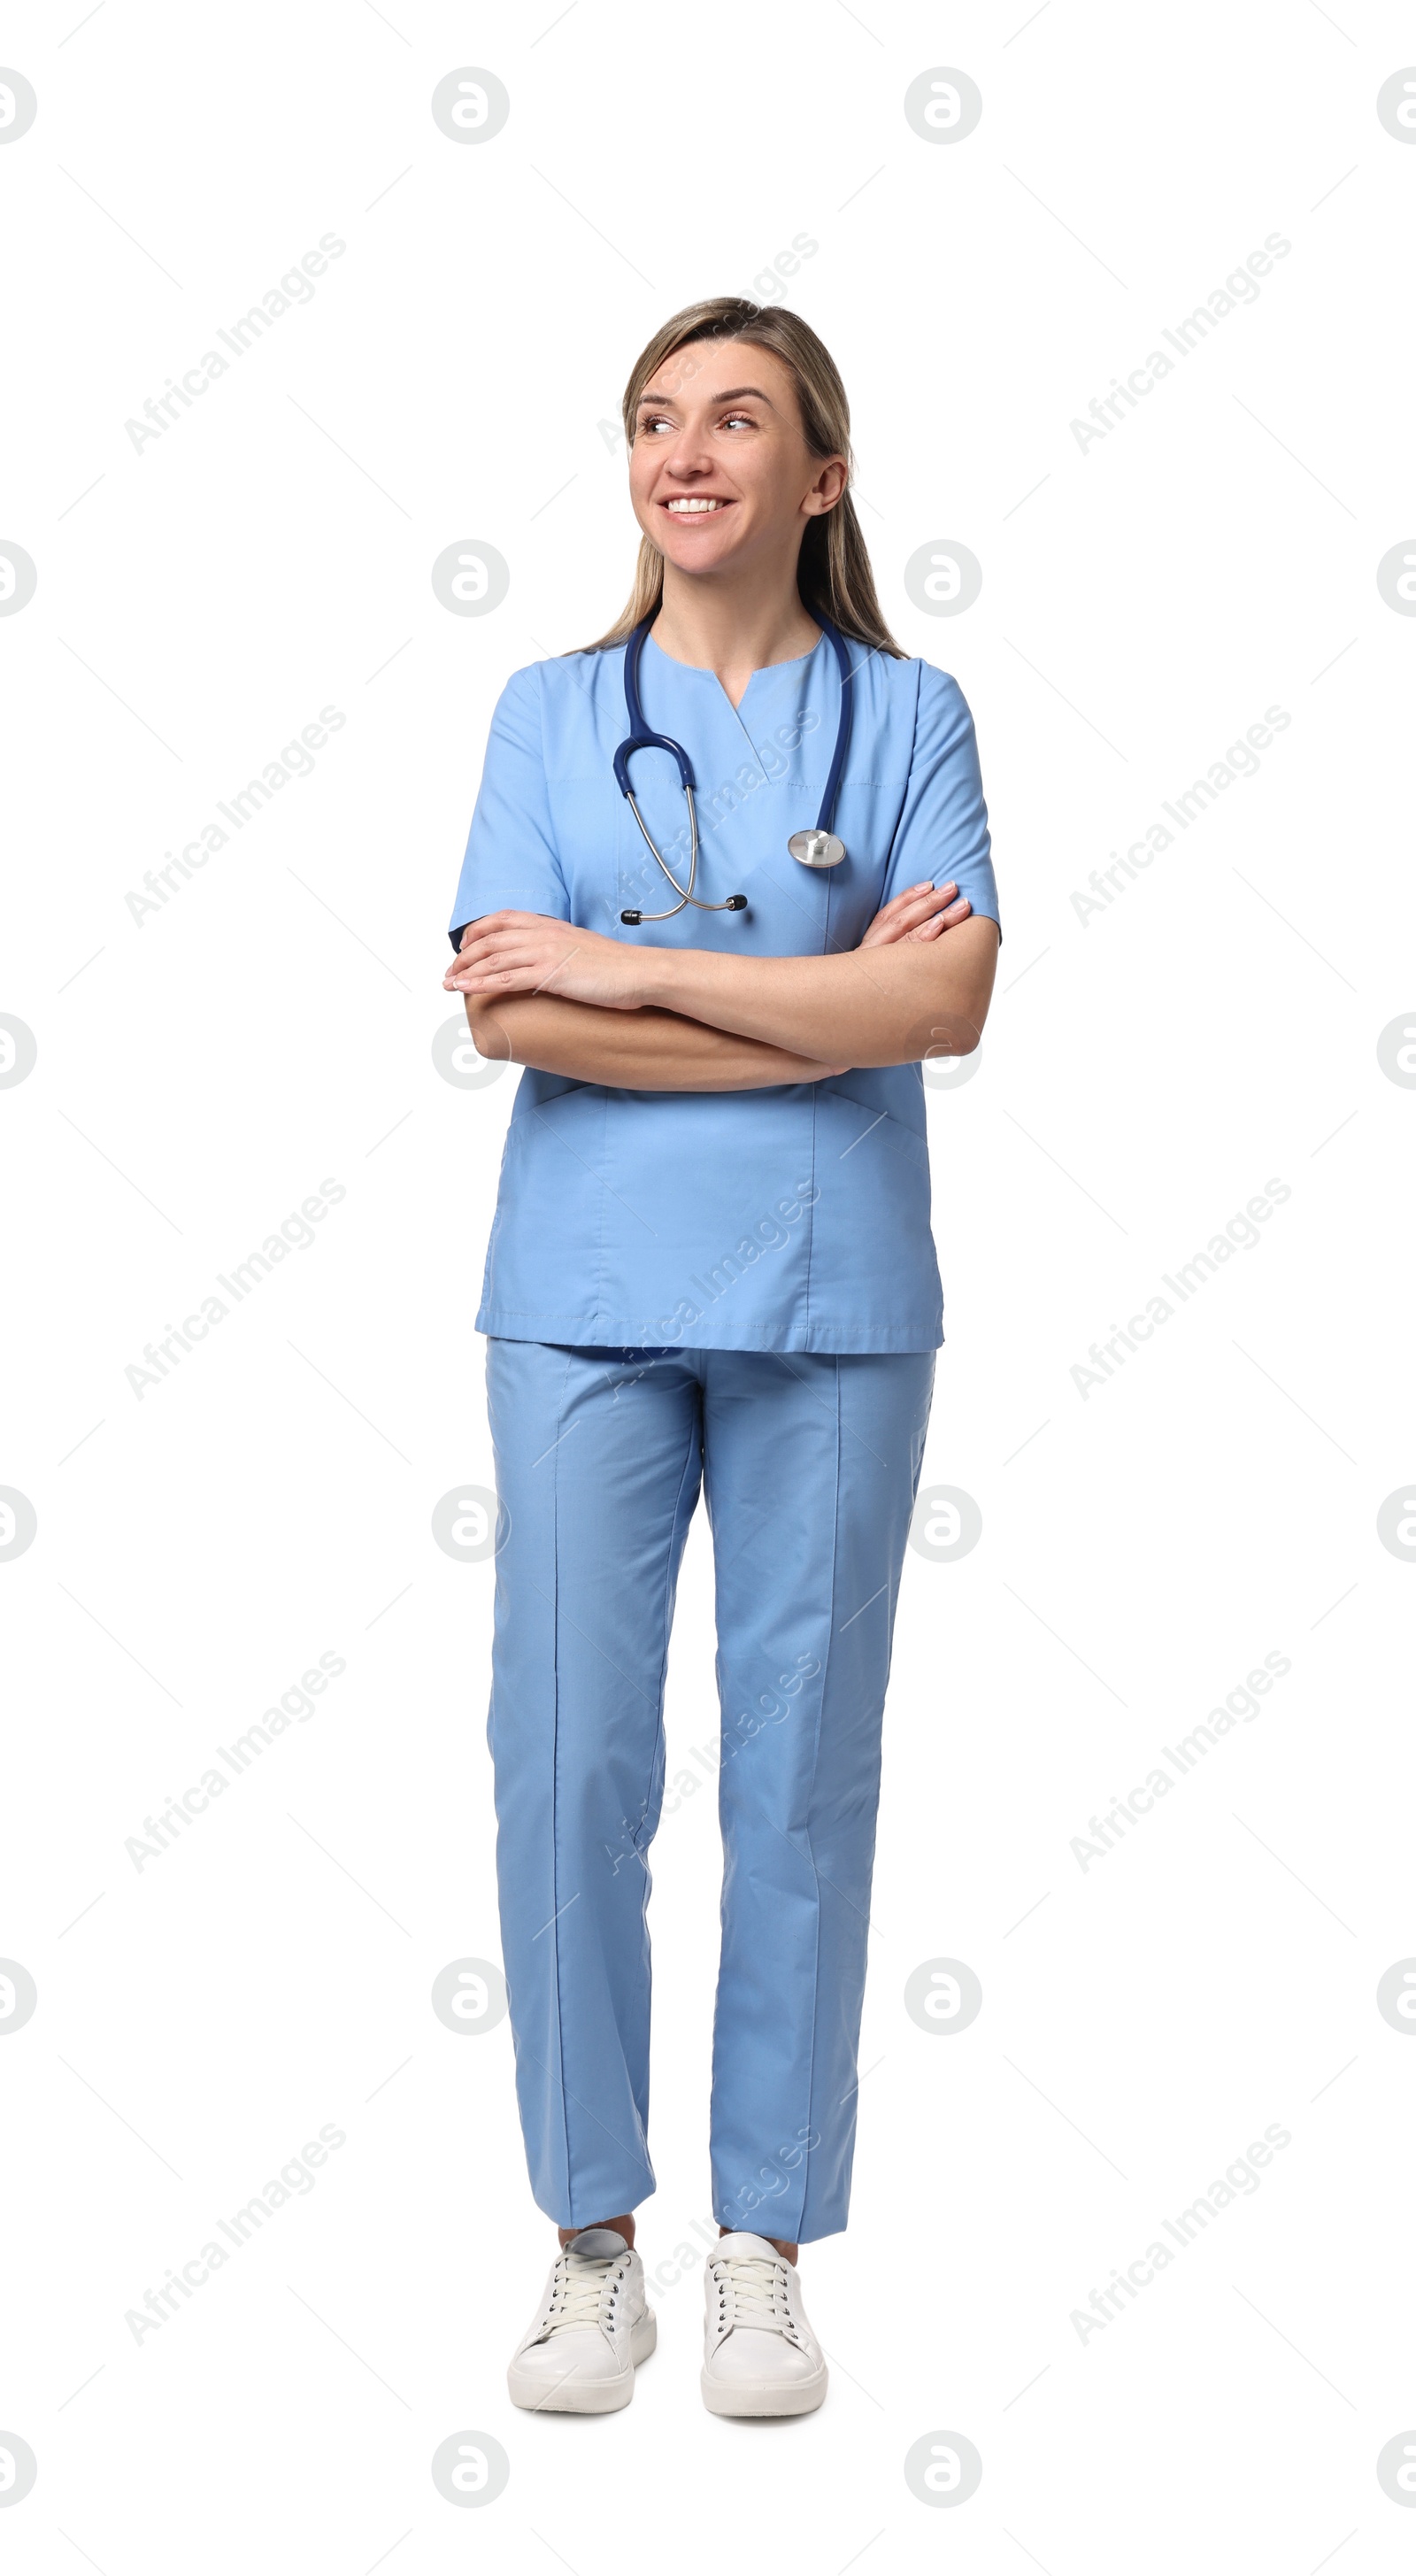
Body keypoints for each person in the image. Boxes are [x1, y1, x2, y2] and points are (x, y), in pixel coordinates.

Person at [443, 297, 1000, 2419]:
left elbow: (940, 1016)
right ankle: (592, 2243)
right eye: (655, 421)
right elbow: (505, 1019)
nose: (688, 455)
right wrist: (788, 1001)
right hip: (579, 1295)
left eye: (737, 421)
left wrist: (625, 971)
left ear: (819, 476)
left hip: (831, 1295)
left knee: (797, 1778)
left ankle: (758, 2237)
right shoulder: (546, 707)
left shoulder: (910, 708)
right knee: (569, 1762)